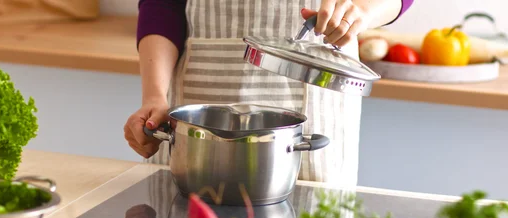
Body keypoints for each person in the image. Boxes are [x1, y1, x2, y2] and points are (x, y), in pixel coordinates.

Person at [125, 0, 414, 187]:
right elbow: (162, 6)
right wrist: (154, 97)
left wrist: (360, 10)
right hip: (200, 90)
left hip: (315, 93)